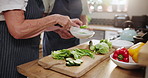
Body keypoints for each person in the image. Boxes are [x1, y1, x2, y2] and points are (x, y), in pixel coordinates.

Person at [0, 0, 82, 78]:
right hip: (9, 58)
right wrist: (55, 18)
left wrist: (57, 29)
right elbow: (18, 29)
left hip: (27, 57)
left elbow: (32, 23)